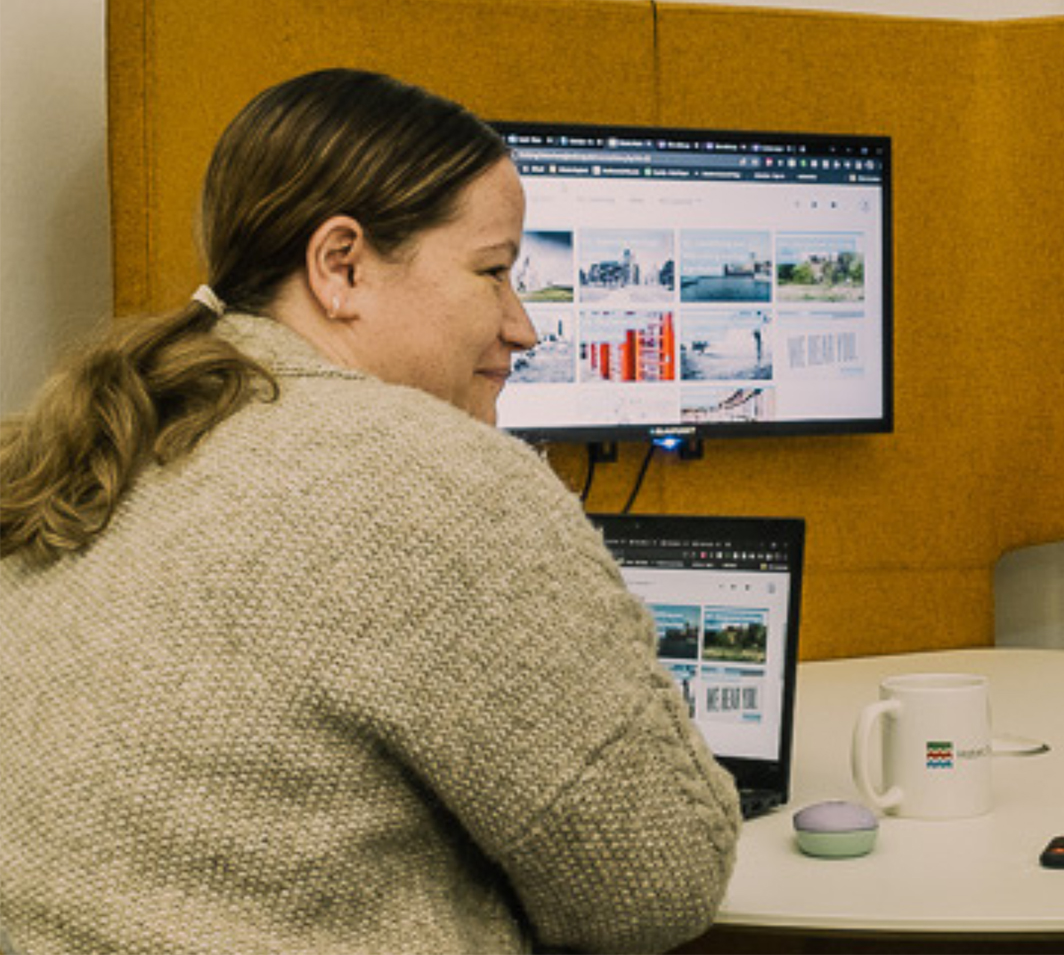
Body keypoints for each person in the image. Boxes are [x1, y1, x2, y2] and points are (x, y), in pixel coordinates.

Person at [0, 69, 741, 953]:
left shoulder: (112, 440)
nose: (522, 327)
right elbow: (659, 884)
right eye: (494, 273)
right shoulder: (436, 478)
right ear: (341, 266)